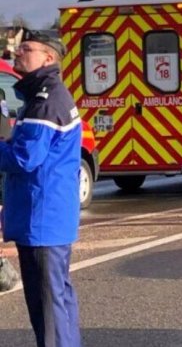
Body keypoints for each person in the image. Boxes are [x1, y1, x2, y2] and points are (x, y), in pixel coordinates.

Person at [0, 31, 82, 346]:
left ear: (48, 57)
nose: (17, 52)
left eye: (26, 48)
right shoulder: (45, 96)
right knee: (57, 301)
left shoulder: (45, 102)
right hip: (47, 216)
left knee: (47, 307)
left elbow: (25, 159)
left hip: (42, 218)